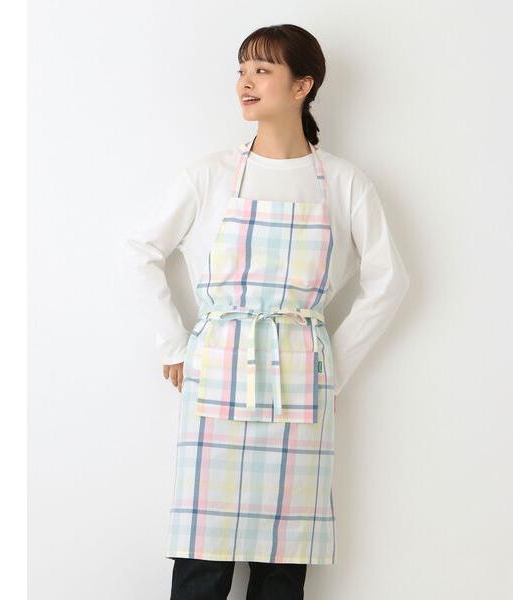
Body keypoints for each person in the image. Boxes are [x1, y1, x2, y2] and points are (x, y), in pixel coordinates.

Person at [126, 23, 410, 600]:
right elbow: (141, 251)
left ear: (303, 85)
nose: (245, 83)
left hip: (300, 383)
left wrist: (332, 367)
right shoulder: (209, 175)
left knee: (283, 565)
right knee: (201, 561)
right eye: (241, 70)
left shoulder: (344, 183)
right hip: (216, 375)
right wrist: (174, 344)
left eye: (262, 70)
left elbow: (390, 280)